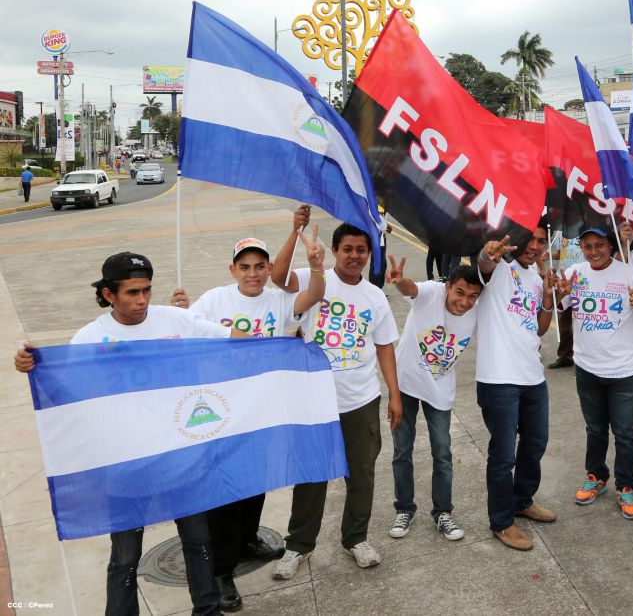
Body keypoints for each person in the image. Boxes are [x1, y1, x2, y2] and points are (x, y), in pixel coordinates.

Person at [14, 252, 247, 615]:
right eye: (132, 293)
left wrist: (283, 341)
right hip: (125, 464)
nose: (142, 301)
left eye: (147, 291)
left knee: (199, 542)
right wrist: (30, 365)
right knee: (124, 556)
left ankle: (207, 610)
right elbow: (65, 388)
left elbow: (233, 339)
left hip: (180, 458)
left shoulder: (177, 320)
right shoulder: (90, 338)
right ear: (109, 295)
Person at [184, 234, 327, 610]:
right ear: (232, 270)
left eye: (259, 266)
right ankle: (221, 571)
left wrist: (314, 266)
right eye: (244, 267)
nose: (252, 273)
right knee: (227, 493)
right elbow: (185, 328)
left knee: (256, 484)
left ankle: (248, 538)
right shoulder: (214, 300)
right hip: (223, 413)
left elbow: (311, 297)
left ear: (269, 270)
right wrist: (179, 310)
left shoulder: (278, 300)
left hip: (265, 410)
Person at [269, 208, 402, 578]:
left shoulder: (375, 297)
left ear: (369, 254)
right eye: (348, 249)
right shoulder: (316, 279)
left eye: (362, 249)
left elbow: (385, 346)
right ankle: (298, 546)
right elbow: (277, 277)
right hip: (315, 400)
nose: (355, 255)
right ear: (334, 250)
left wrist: (394, 394)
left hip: (360, 400)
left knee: (361, 474)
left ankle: (356, 538)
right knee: (311, 477)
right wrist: (295, 230)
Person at [555, 226, 633, 519]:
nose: (594, 251)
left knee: (625, 433)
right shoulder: (576, 272)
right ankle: (596, 476)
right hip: (587, 368)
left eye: (599, 245)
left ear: (610, 245)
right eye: (587, 246)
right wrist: (557, 291)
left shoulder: (629, 274)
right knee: (595, 429)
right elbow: (556, 303)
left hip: (623, 371)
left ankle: (626, 485)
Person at [384, 257, 483, 543]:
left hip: (440, 392)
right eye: (460, 292)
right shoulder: (431, 292)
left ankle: (442, 512)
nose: (464, 302)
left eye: (473, 296)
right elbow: (410, 288)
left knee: (442, 452)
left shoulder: (476, 313)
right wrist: (399, 278)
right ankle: (404, 508)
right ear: (448, 286)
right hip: (405, 386)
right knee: (402, 450)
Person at [474, 228, 559, 550]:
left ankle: (522, 500)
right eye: (530, 240)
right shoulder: (497, 270)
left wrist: (548, 298)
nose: (535, 247)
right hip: (499, 379)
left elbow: (538, 327)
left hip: (532, 377)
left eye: (541, 242)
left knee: (535, 443)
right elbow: (482, 264)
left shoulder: (536, 278)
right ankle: (501, 521)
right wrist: (486, 255)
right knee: (502, 455)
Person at [547, 235, 583, 369]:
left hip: (583, 281)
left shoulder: (588, 227)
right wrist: (548, 255)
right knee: (564, 321)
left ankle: (585, 359)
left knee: (586, 321)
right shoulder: (558, 231)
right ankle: (565, 356)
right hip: (564, 281)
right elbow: (558, 254)